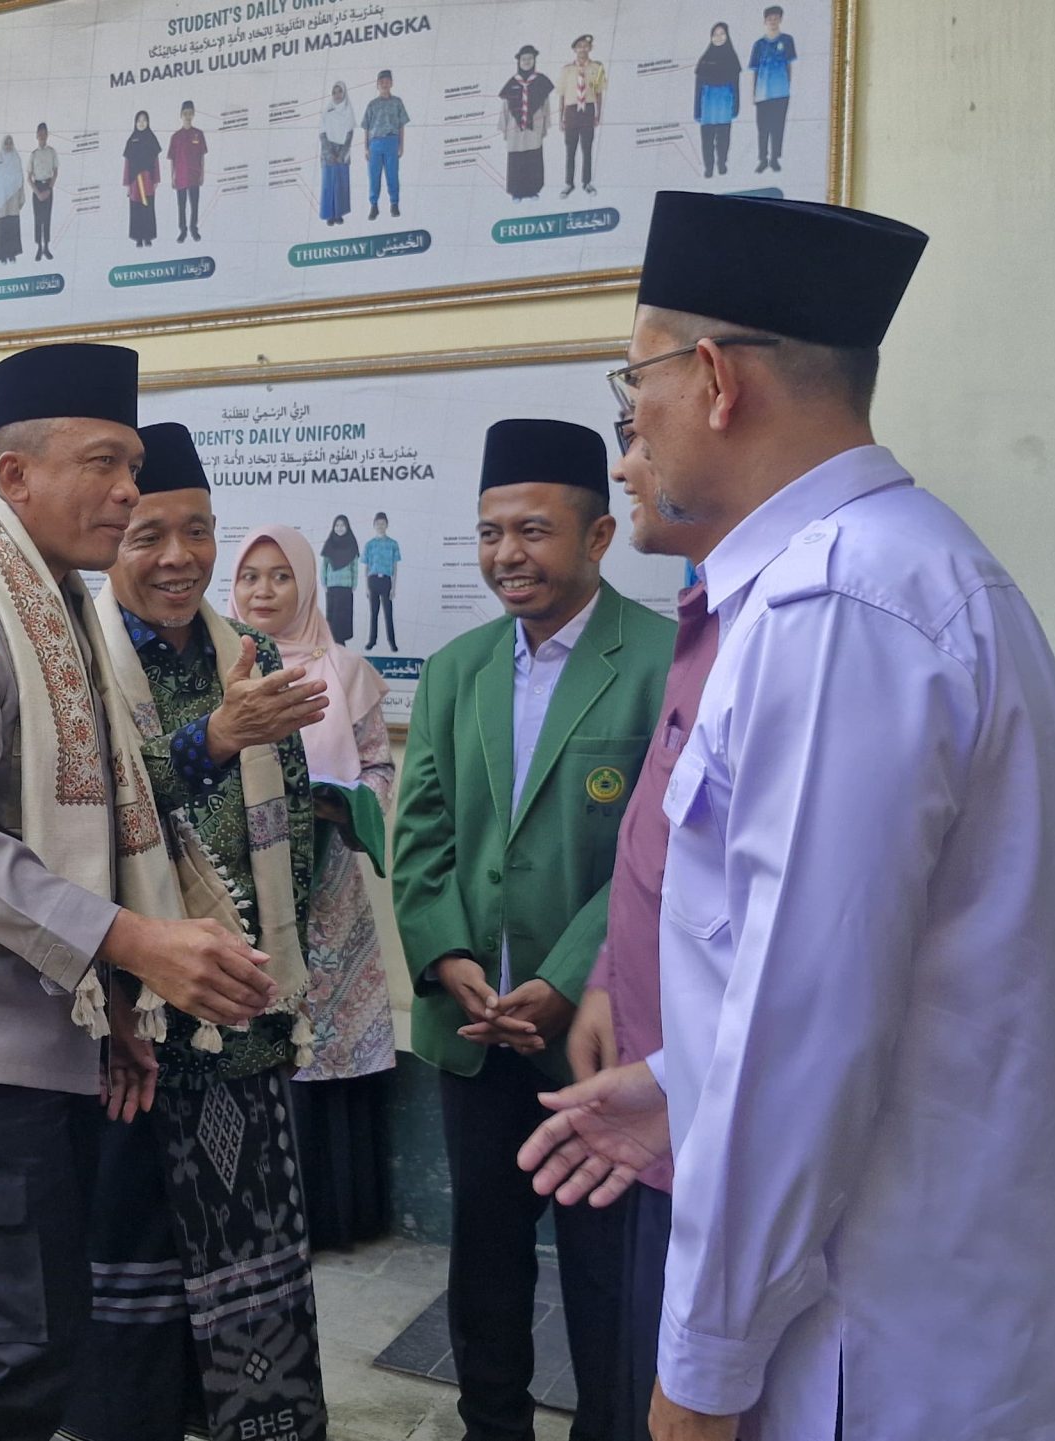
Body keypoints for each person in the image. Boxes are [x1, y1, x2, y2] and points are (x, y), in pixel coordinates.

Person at [521, 192, 1055, 1441]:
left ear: (714, 380)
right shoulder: (911, 568)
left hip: (864, 1348)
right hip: (928, 1316)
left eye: (635, 385)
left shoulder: (836, 610)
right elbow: (851, 982)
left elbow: (806, 1034)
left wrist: (699, 1379)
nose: (632, 431)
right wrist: (686, 1083)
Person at [0, 344, 279, 1441]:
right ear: (15, 475)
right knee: (10, 1360)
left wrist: (116, 1005)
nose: (129, 491)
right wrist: (130, 941)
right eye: (104, 463)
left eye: (131, 464)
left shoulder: (60, 605)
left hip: (50, 1033)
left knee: (28, 1345)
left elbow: (95, 815)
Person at [394, 419, 672, 1441]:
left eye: (532, 531)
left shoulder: (661, 661)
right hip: (476, 1033)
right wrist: (448, 957)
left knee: (607, 1271)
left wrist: (565, 977)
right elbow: (420, 834)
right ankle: (492, 1426)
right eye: (488, 533)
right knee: (485, 1259)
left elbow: (656, 849)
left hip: (598, 1037)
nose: (506, 554)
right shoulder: (455, 668)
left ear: (598, 537)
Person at [63, 424, 329, 1441]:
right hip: (131, 1032)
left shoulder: (250, 657)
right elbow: (87, 828)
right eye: (149, 535)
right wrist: (212, 739)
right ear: (112, 544)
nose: (180, 557)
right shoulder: (76, 666)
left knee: (251, 1265)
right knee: (133, 1270)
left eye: (200, 531)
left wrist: (278, 979)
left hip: (245, 1026)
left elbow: (292, 826)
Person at [559, 429, 718, 1441]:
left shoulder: (815, 625)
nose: (626, 464)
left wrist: (569, 974)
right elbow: (652, 854)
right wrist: (609, 977)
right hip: (650, 1079)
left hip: (709, 1114)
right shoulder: (718, 616)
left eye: (640, 431)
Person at [228, 523, 399, 1247]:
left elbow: (379, 769)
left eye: (281, 576)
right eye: (251, 577)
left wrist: (344, 802)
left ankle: (330, 1215)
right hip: (241, 883)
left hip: (326, 885)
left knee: (326, 1036)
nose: (264, 591)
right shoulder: (218, 665)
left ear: (306, 584)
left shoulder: (345, 670)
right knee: (250, 1026)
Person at [498, 46, 553, 203]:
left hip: (534, 126)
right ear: (519, 61)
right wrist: (504, 128)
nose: (527, 62)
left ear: (534, 60)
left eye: (530, 59)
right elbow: (505, 107)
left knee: (533, 157)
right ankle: (517, 192)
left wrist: (545, 126)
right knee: (516, 159)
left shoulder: (541, 81)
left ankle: (533, 190)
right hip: (515, 128)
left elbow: (546, 105)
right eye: (524, 59)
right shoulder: (512, 82)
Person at [750, 7, 798, 174]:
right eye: (770, 19)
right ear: (765, 21)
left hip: (781, 92)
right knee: (763, 128)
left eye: (776, 18)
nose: (773, 21)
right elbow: (755, 70)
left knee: (778, 126)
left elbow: (789, 65)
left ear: (780, 20)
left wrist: (787, 85)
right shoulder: (758, 44)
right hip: (763, 93)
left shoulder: (787, 40)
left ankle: (775, 158)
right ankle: (763, 159)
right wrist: (754, 93)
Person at [559, 35, 606, 197]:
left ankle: (587, 183)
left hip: (588, 110)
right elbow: (562, 95)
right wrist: (561, 118)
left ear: (590, 48)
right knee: (570, 149)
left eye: (586, 46)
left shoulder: (597, 68)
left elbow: (598, 93)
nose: (582, 49)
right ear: (574, 49)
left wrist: (598, 114)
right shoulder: (567, 70)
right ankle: (569, 183)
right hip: (571, 111)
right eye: (579, 46)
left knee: (587, 148)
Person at [694, 24, 743, 179]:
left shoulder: (732, 59)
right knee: (707, 139)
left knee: (723, 138)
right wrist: (697, 111)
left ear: (727, 36)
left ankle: (722, 164)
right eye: (715, 34)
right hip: (708, 104)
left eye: (722, 34)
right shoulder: (704, 60)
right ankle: (709, 167)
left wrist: (736, 107)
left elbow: (736, 86)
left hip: (724, 103)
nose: (718, 37)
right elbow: (698, 88)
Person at [362, 69, 409, 220]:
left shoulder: (397, 102)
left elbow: (401, 125)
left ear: (391, 83)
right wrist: (366, 148)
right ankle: (374, 206)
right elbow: (366, 127)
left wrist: (401, 145)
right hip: (375, 144)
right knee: (374, 176)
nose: (384, 84)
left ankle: (394, 204)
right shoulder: (372, 104)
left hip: (391, 141)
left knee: (392, 175)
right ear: (377, 84)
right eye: (381, 82)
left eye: (387, 81)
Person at [169, 101, 208, 242]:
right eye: (185, 113)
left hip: (194, 175)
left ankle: (193, 228)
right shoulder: (175, 137)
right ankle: (183, 230)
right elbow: (172, 158)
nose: (187, 116)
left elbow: (202, 156)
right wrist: (172, 176)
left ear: (193, 114)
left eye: (190, 113)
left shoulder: (198, 134)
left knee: (194, 204)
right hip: (180, 176)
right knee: (182, 205)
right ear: (181, 115)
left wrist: (202, 174)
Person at [361, 511, 400, 650]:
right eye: (378, 523)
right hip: (373, 580)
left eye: (383, 523)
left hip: (386, 580)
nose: (380, 526)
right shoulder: (369, 544)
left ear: (387, 525)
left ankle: (392, 642)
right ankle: (372, 640)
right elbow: (366, 567)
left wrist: (393, 587)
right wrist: (366, 587)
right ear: (374, 525)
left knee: (388, 613)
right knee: (374, 613)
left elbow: (395, 567)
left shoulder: (393, 544)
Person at [319, 82, 356, 225]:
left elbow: (349, 134)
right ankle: (329, 215)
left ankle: (339, 214)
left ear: (344, 93)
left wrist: (341, 155)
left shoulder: (348, 111)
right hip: (327, 151)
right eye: (334, 92)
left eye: (340, 91)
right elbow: (322, 133)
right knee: (328, 184)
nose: (337, 95)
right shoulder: (327, 111)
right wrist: (329, 153)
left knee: (341, 183)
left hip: (343, 152)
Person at [319, 513, 360, 640]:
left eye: (342, 525)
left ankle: (340, 640)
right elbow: (324, 565)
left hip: (346, 586)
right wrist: (324, 582)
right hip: (332, 585)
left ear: (347, 527)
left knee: (343, 616)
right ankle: (333, 641)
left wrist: (354, 584)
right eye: (337, 525)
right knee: (332, 615)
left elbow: (355, 567)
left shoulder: (352, 544)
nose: (339, 528)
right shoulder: (329, 544)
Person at [124, 110, 162, 247]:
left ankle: (148, 237)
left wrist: (156, 180)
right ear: (135, 123)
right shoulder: (131, 141)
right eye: (139, 120)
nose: (141, 123)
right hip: (135, 183)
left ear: (148, 122)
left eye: (144, 120)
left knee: (148, 208)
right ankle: (138, 238)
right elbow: (127, 164)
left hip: (148, 181)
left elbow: (156, 162)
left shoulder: (152, 139)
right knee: (136, 209)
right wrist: (127, 184)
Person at [0, 134, 26, 264]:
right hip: (1, 199)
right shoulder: (0, 160)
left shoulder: (16, 159)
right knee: (3, 225)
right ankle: (2, 255)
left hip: (13, 198)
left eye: (10, 143)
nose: (8, 145)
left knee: (12, 224)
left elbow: (21, 180)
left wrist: (21, 197)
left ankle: (12, 253)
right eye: (6, 143)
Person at [29, 122, 60, 260]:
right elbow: (29, 178)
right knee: (38, 219)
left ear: (47, 135)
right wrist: (37, 193)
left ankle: (46, 247)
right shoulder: (33, 154)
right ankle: (38, 248)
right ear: (36, 135)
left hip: (48, 187)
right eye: (39, 133)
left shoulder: (52, 152)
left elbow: (55, 172)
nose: (42, 136)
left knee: (47, 218)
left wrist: (49, 190)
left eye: (44, 133)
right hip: (37, 188)